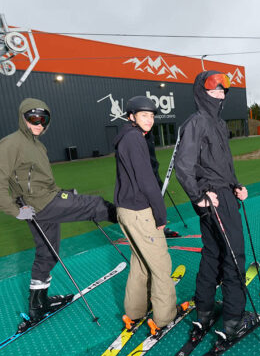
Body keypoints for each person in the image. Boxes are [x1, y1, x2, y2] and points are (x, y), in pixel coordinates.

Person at [0, 98, 117, 331]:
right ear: (23, 118)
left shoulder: (37, 145)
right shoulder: (11, 144)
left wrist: (63, 193)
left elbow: (41, 180)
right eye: (33, 119)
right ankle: (130, 218)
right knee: (95, 204)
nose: (39, 124)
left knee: (47, 253)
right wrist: (15, 211)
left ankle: (38, 304)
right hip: (40, 204)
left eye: (43, 120)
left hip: (40, 206)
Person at [174, 70, 256, 341]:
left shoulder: (218, 123)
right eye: (214, 89)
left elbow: (221, 165)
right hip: (213, 198)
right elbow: (183, 166)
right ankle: (234, 320)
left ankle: (205, 312)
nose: (220, 94)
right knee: (234, 256)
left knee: (213, 253)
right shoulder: (196, 123)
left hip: (222, 193)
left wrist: (236, 185)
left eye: (223, 90)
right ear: (202, 92)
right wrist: (199, 196)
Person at [113, 96, 178, 333]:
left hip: (127, 211)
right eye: (144, 115)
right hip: (140, 212)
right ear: (131, 116)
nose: (149, 120)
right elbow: (147, 181)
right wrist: (160, 215)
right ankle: (164, 318)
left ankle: (134, 312)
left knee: (140, 263)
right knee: (161, 266)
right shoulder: (134, 139)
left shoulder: (127, 136)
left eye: (151, 116)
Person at [144, 131, 180, 238]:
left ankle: (160, 226)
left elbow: (152, 158)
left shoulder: (149, 135)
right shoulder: (136, 136)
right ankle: (151, 229)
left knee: (159, 200)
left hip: (154, 174)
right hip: (146, 177)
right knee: (149, 202)